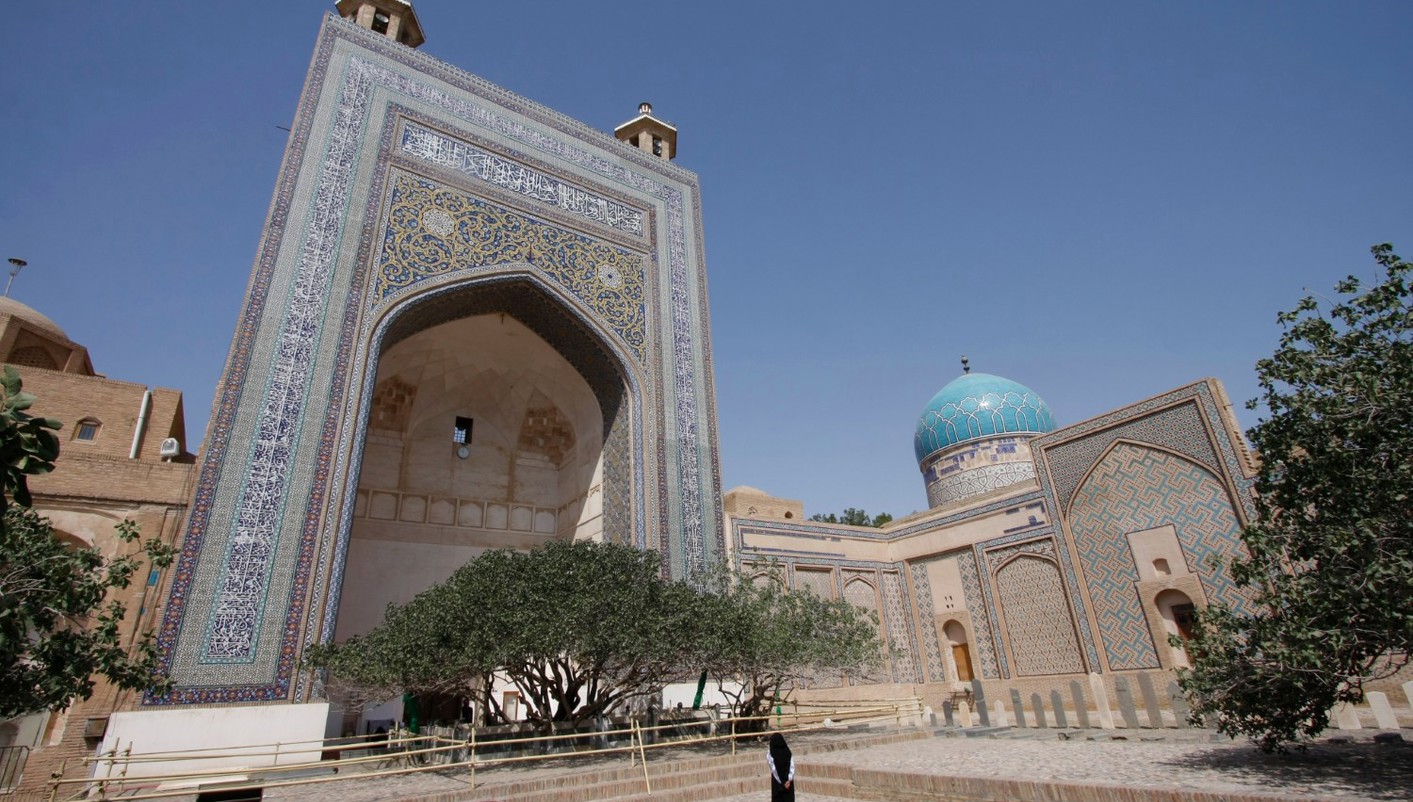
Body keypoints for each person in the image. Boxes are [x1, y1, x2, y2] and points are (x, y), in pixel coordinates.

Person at [766, 732, 794, 802]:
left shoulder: (771, 753)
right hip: (788, 783)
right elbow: (792, 766)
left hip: (778, 784)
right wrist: (789, 780)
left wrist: (781, 782)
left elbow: (774, 769)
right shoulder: (788, 751)